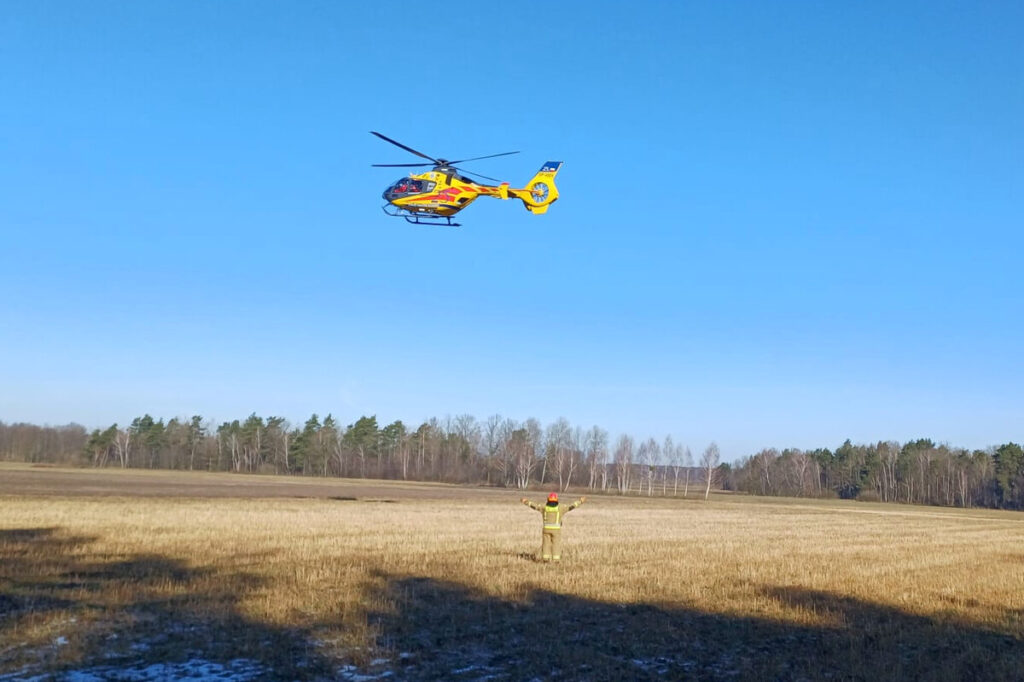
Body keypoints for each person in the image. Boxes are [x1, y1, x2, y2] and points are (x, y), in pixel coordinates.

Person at [520, 492, 586, 562]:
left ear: (548, 499)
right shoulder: (560, 507)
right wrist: (580, 501)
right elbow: (571, 506)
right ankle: (556, 560)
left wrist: (526, 502)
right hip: (556, 530)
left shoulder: (544, 507)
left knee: (546, 544)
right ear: (556, 499)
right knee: (556, 544)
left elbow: (535, 506)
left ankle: (545, 559)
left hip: (546, 529)